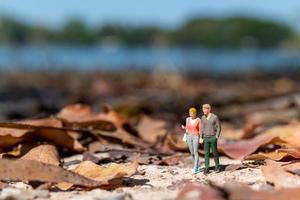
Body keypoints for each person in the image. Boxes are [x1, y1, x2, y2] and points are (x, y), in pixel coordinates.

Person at [201, 104, 221, 175]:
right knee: (206, 153)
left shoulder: (214, 117)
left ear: (209, 109)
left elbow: (218, 127)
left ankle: (217, 166)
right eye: (203, 109)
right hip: (205, 138)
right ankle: (207, 167)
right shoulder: (203, 117)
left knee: (215, 152)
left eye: (205, 109)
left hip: (213, 137)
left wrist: (217, 136)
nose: (203, 110)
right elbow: (202, 128)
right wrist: (201, 137)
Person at [181, 107, 201, 174]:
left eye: (192, 113)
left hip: (196, 136)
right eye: (190, 113)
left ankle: (195, 167)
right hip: (189, 136)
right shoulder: (187, 119)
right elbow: (187, 128)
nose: (190, 114)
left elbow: (200, 129)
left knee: (195, 151)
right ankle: (195, 165)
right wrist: (184, 128)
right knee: (192, 152)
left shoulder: (198, 120)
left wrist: (201, 137)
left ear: (195, 113)